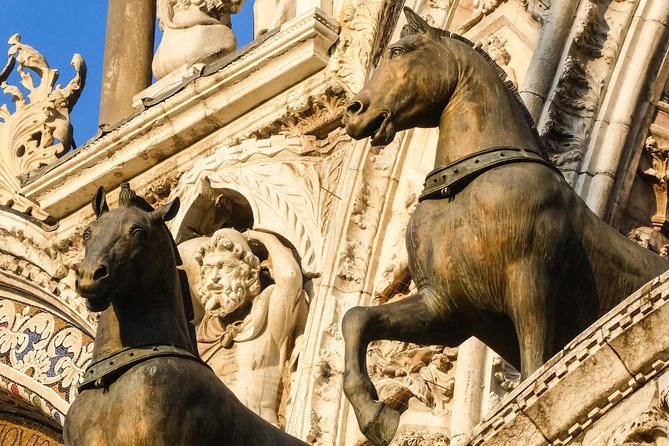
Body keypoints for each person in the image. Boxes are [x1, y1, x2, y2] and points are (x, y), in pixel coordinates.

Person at [188, 228, 306, 425]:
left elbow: (290, 277)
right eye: (208, 270)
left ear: (249, 273)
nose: (214, 277)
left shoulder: (266, 318)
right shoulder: (202, 336)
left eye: (224, 267)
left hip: (257, 430)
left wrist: (261, 236)